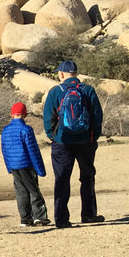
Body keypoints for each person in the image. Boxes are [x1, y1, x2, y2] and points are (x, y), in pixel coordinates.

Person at [43, 60, 104, 228]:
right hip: (86, 141)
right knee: (87, 177)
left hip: (62, 141)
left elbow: (48, 118)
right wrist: (93, 136)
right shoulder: (88, 90)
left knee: (62, 179)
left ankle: (61, 219)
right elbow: (97, 117)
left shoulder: (55, 92)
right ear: (75, 74)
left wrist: (53, 136)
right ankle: (89, 215)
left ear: (61, 74)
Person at [1, 101, 50, 227]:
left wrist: (8, 167)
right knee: (34, 191)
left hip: (14, 166)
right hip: (27, 165)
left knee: (20, 192)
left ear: (11, 114)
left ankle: (25, 219)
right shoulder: (26, 130)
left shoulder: (5, 130)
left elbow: (4, 150)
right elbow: (33, 151)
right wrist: (40, 169)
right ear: (25, 115)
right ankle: (39, 217)